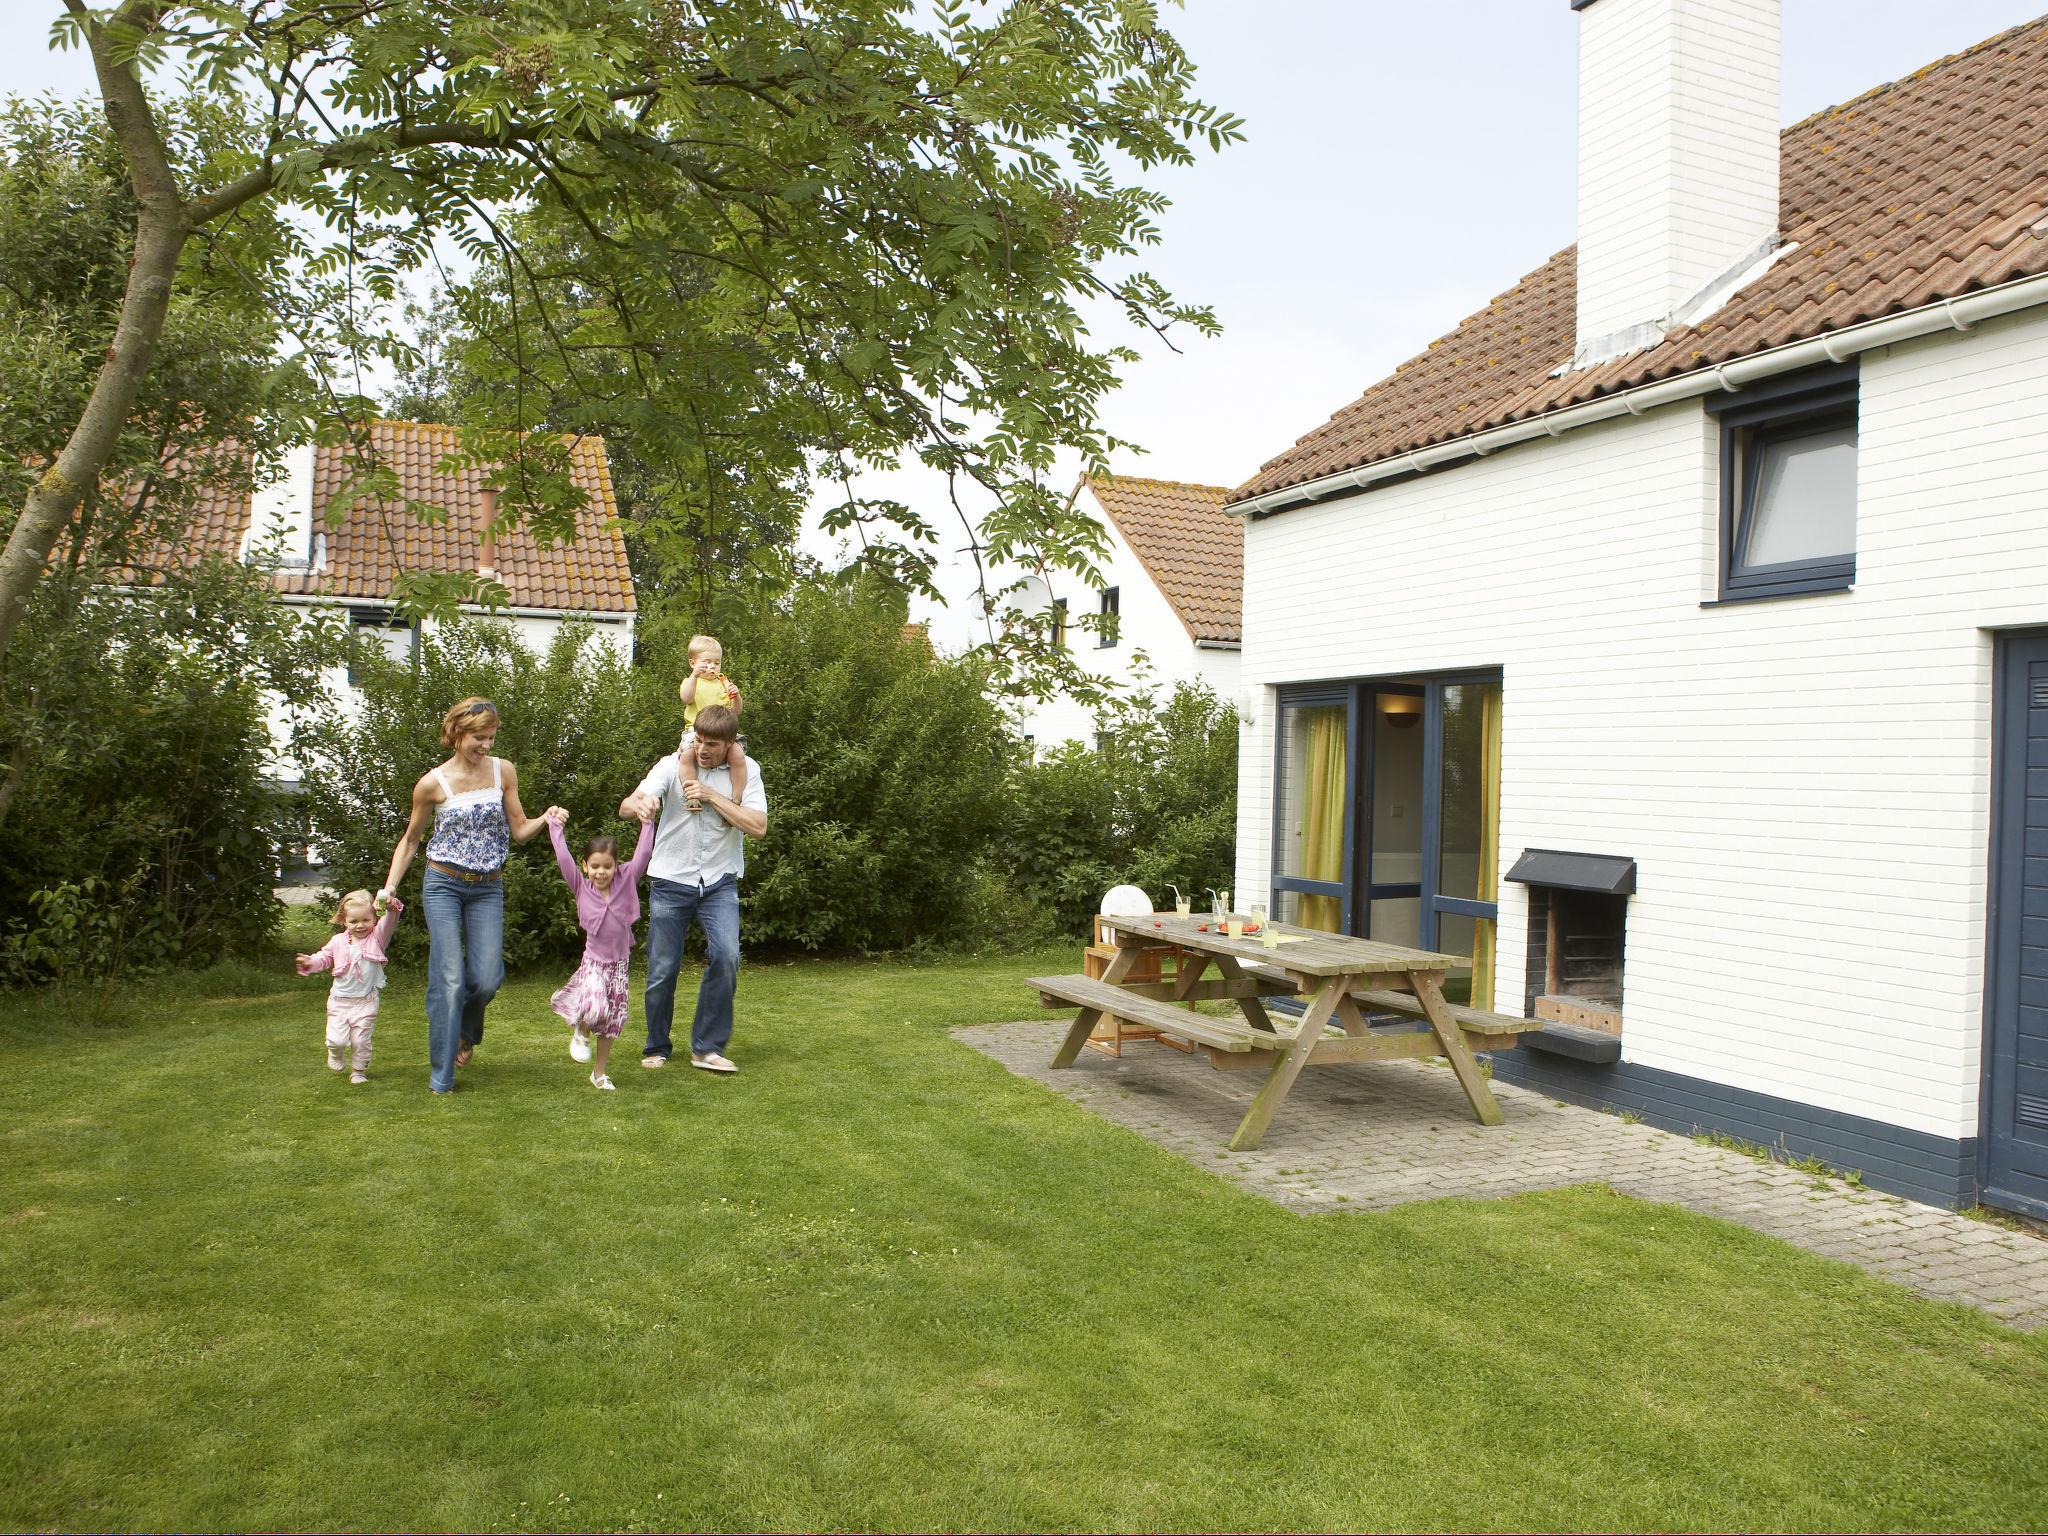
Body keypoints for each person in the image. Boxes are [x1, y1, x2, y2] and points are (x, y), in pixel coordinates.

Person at [377, 696, 562, 1095]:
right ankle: (442, 1075)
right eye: (479, 737)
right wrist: (389, 886)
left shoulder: (503, 772)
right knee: (448, 978)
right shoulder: (432, 784)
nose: (486, 746)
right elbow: (411, 840)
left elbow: (519, 830)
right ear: (457, 732)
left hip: (487, 888)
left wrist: (545, 819)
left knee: (487, 977)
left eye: (491, 737)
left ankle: (463, 1032)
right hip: (443, 883)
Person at [619, 703, 768, 1074]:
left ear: (731, 743)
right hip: (671, 880)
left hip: (719, 882)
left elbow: (758, 826)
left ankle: (707, 1048)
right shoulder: (672, 765)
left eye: (713, 744)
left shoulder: (747, 772)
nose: (703, 749)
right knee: (662, 970)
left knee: (728, 956)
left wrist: (711, 796)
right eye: (699, 741)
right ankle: (656, 1046)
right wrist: (643, 804)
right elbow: (625, 806)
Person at [543, 809, 655, 1091]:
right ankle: (581, 1032)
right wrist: (555, 827)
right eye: (595, 866)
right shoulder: (580, 885)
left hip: (620, 965)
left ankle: (599, 1074)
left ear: (617, 866)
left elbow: (643, 853)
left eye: (607, 866)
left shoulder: (627, 879)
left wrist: (647, 822)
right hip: (594, 962)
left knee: (612, 1021)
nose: (601, 872)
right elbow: (562, 858)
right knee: (595, 1008)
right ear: (585, 866)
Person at [296, 890, 403, 1085]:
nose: (360, 925)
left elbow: (391, 918)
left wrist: (390, 905)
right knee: (336, 1040)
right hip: (339, 1001)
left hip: (366, 1001)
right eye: (354, 921)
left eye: (365, 920)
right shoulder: (337, 942)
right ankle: (335, 1054)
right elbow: (324, 958)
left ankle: (358, 1071)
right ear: (344, 921)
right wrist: (309, 962)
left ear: (374, 918)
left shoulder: (378, 938)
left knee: (361, 1040)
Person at [677, 633, 750, 809]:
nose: (712, 667)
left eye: (717, 663)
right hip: (696, 731)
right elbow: (686, 698)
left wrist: (736, 696)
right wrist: (694, 676)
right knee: (686, 756)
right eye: (707, 662)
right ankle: (691, 794)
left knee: (738, 755)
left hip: (722, 732)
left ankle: (736, 799)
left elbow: (735, 711)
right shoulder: (690, 681)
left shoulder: (723, 684)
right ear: (693, 663)